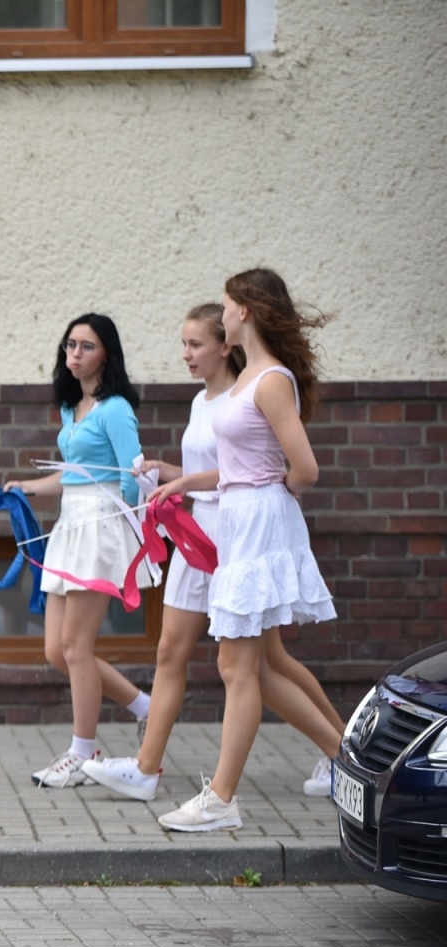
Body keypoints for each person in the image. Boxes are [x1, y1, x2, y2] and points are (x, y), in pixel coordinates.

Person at [82, 305, 346, 803]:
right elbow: (214, 469)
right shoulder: (202, 401)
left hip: (233, 536)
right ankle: (146, 769)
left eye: (195, 344)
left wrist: (191, 484)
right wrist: (168, 473)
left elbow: (250, 472)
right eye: (183, 344)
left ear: (225, 345)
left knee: (263, 665)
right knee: (175, 651)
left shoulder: (246, 394)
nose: (186, 354)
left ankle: (345, 756)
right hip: (195, 533)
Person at [157, 268, 339, 832]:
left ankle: (222, 799)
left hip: (259, 523)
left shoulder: (270, 380)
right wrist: (186, 482)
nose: (223, 312)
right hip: (240, 520)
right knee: (251, 667)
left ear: (246, 313)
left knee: (237, 666)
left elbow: (304, 469)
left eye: (227, 305)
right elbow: (237, 466)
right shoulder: (247, 380)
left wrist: (272, 493)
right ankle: (349, 761)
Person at [5, 314, 153, 789]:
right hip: (70, 525)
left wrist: (131, 535)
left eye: (87, 346)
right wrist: (27, 486)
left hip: (100, 530)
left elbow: (133, 477)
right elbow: (72, 475)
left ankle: (82, 752)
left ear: (106, 353)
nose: (75, 354)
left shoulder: (116, 409)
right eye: (70, 345)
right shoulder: (72, 408)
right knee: (57, 650)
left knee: (76, 647)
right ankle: (145, 707)